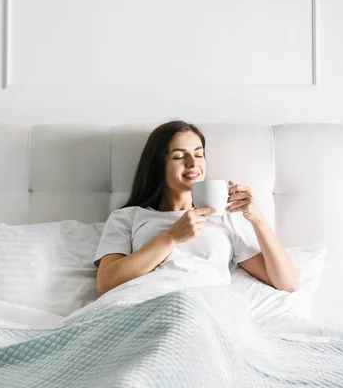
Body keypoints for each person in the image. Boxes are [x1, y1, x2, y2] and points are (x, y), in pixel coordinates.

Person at [95, 120, 299, 297]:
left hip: (205, 308)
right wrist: (171, 237)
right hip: (145, 306)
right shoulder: (128, 217)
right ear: (157, 164)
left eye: (199, 154)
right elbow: (106, 283)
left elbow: (287, 283)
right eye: (179, 156)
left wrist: (257, 220)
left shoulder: (226, 217)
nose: (193, 163)